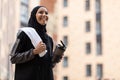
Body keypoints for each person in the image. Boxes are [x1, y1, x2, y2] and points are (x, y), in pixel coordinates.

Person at [10, 6, 64, 80]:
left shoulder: (49, 39)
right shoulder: (24, 33)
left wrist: (57, 57)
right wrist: (34, 52)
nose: (44, 14)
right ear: (34, 15)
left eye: (46, 13)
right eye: (41, 12)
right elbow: (13, 57)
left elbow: (49, 65)